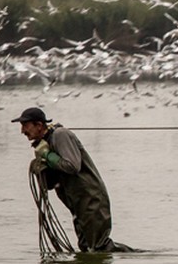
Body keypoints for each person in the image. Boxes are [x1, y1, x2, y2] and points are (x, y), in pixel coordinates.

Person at [13, 106, 130, 252]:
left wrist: (47, 155)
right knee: (86, 247)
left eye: (25, 125)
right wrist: (41, 167)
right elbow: (50, 184)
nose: (22, 130)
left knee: (99, 247)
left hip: (91, 198)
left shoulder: (60, 135)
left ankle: (132, 260)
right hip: (76, 202)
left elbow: (72, 166)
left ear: (39, 125)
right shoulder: (45, 143)